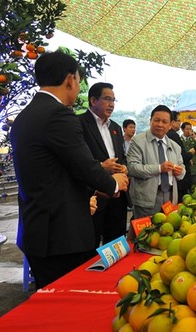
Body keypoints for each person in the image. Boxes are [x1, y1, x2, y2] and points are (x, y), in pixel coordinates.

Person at [10, 51, 129, 289]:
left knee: (49, 300)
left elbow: (53, 173)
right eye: (78, 80)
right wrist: (114, 183)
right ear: (69, 80)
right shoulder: (58, 116)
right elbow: (84, 165)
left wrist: (87, 195)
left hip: (38, 231)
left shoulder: (25, 116)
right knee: (68, 301)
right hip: (62, 237)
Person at [78, 82, 129, 248]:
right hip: (94, 196)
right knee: (90, 246)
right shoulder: (79, 124)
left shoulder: (114, 127)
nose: (112, 104)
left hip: (117, 196)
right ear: (93, 100)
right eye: (107, 99)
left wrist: (123, 167)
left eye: (114, 100)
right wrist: (101, 166)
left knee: (116, 244)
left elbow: (121, 156)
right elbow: (77, 162)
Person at [127, 105, 185, 227]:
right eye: (156, 120)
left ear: (170, 125)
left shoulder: (175, 146)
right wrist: (159, 168)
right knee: (146, 236)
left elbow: (181, 167)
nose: (160, 124)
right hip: (146, 199)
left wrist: (180, 172)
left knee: (166, 232)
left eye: (164, 122)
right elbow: (132, 168)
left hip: (169, 198)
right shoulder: (138, 141)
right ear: (150, 121)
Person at [166, 111, 193, 196]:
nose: (180, 123)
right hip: (178, 175)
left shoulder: (168, 135)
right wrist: (191, 153)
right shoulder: (173, 135)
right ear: (172, 122)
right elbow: (182, 156)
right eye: (178, 121)